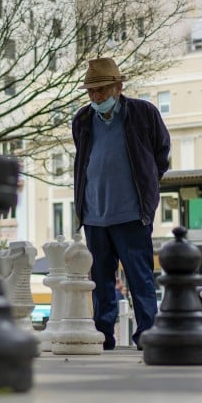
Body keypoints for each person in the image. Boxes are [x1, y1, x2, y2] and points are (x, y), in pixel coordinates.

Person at [71, 57, 170, 350]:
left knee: (140, 276)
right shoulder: (82, 119)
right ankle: (103, 335)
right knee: (100, 280)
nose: (96, 97)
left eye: (101, 90)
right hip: (94, 214)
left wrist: (149, 184)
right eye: (91, 91)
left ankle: (148, 334)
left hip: (131, 213)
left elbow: (161, 153)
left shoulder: (143, 113)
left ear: (118, 86)